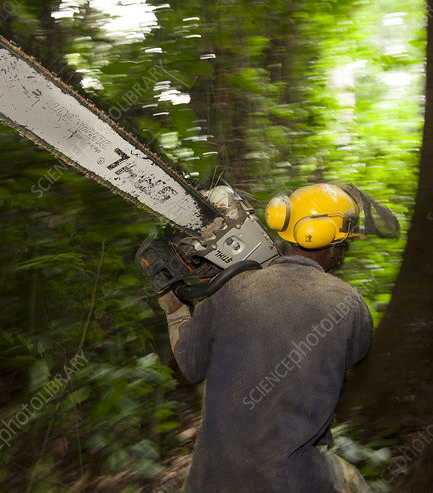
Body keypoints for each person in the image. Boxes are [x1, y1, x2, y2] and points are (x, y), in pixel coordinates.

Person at [158, 183, 374, 492]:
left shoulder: (229, 289)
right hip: (287, 481)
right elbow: (356, 354)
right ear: (331, 242)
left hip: (208, 480)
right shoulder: (349, 303)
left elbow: (190, 367)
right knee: (352, 482)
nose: (342, 252)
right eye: (342, 244)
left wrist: (174, 309)